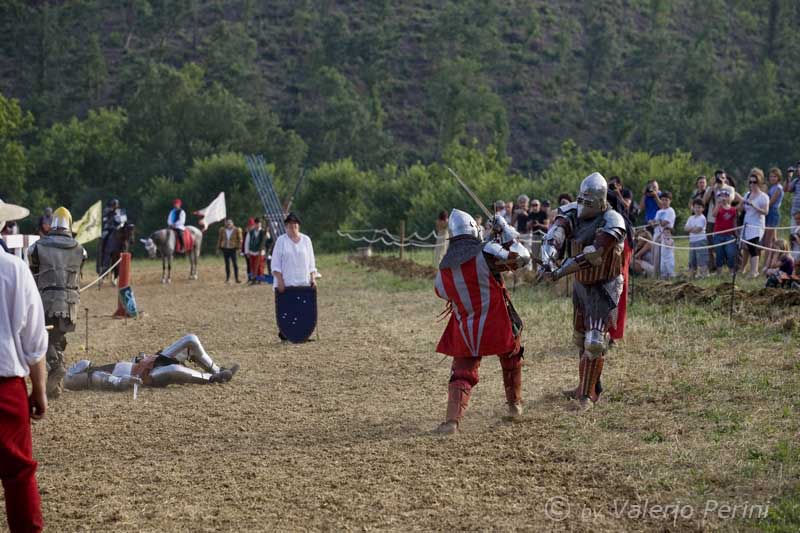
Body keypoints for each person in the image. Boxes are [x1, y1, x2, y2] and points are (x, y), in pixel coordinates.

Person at [539, 173, 629, 411]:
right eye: (581, 200)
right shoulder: (571, 211)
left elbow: (593, 254)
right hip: (581, 284)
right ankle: (586, 386)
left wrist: (558, 273)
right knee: (580, 338)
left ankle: (587, 397)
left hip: (603, 285)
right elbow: (555, 234)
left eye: (588, 202)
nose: (582, 207)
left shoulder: (612, 220)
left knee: (595, 341)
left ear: (600, 202)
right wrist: (548, 259)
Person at [433, 210, 530, 434]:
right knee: (511, 355)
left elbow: (441, 291)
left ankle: (452, 422)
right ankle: (514, 406)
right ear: (473, 230)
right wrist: (505, 230)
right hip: (497, 321)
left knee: (462, 372)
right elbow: (522, 257)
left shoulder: (445, 265)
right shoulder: (486, 250)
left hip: (466, 326)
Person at [0, 213, 48, 533]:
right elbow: (34, 341)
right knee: (18, 473)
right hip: (7, 389)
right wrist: (39, 389)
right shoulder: (15, 269)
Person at [28, 207, 86, 399]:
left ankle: (57, 366)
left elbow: (33, 273)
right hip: (70, 304)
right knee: (58, 339)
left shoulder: (37, 247)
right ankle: (55, 387)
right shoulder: (80, 249)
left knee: (44, 338)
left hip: (45, 302)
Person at [64, 334, 239, 390]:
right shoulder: (94, 376)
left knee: (190, 339)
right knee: (173, 369)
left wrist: (140, 359)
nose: (74, 364)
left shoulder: (98, 369)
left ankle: (216, 369)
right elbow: (116, 381)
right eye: (74, 368)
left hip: (147, 364)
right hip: (145, 377)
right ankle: (211, 378)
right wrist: (128, 380)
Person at [271, 212, 317, 295]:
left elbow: (311, 263)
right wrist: (280, 281)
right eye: (290, 223)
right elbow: (275, 264)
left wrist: (313, 278)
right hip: (287, 285)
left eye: (295, 223)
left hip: (304, 284)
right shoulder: (281, 241)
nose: (293, 225)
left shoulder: (306, 240)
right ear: (286, 226)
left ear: (298, 225)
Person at [739, 168, 770, 277]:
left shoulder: (764, 197)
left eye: (754, 182)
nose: (752, 184)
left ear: (759, 182)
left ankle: (754, 271)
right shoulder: (747, 194)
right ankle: (747, 269)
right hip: (747, 223)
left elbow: (766, 212)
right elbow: (740, 208)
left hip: (757, 225)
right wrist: (742, 203)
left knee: (753, 247)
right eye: (750, 182)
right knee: (747, 247)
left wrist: (754, 206)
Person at [711, 189, 739, 275]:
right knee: (719, 254)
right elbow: (714, 215)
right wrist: (718, 204)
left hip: (729, 235)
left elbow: (734, 223)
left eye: (725, 195)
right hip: (718, 235)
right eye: (720, 196)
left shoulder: (733, 209)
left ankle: (731, 271)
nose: (723, 198)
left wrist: (737, 234)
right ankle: (719, 272)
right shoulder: (717, 207)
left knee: (730, 253)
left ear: (729, 197)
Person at [762, 168, 784, 267]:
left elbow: (770, 203)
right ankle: (777, 260)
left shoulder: (778, 188)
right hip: (769, 213)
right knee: (774, 241)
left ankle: (766, 265)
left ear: (778, 177)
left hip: (773, 213)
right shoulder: (772, 187)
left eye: (774, 176)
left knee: (768, 241)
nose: (772, 178)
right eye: (771, 176)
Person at [652, 191, 676, 278]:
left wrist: (656, 222)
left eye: (666, 200)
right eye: (662, 200)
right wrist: (652, 222)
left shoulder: (671, 211)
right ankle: (657, 274)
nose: (664, 202)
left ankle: (669, 274)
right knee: (656, 256)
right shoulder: (659, 211)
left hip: (666, 237)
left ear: (670, 201)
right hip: (657, 235)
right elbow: (655, 222)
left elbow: (664, 223)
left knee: (666, 257)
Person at [685, 199, 709, 278]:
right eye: (695, 207)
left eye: (699, 207)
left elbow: (698, 230)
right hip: (692, 241)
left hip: (701, 241)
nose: (697, 209)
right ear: (693, 208)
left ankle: (703, 275)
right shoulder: (690, 218)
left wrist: (691, 229)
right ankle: (692, 275)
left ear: (703, 209)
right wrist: (693, 229)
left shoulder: (702, 218)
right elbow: (685, 228)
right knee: (692, 259)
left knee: (702, 258)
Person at [218, 218, 243, 284]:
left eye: (230, 223)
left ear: (232, 223)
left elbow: (240, 240)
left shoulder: (237, 230)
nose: (228, 224)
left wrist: (240, 248)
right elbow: (220, 239)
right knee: (227, 264)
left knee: (235, 264)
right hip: (225, 248)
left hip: (233, 249)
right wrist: (218, 247)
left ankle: (237, 278)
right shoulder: (222, 230)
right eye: (227, 223)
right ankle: (227, 278)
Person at [244, 218, 267, 284]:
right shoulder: (250, 232)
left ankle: (260, 279)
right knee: (253, 266)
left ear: (260, 224)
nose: (257, 225)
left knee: (260, 266)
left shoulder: (263, 232)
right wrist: (247, 252)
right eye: (256, 224)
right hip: (252, 252)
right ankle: (254, 279)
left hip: (260, 252)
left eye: (259, 224)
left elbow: (267, 239)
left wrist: (267, 233)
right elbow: (247, 242)